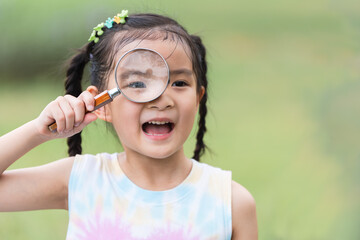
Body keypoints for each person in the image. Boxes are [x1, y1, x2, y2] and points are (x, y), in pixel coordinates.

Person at [0, 11, 258, 239]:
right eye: (137, 84)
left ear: (198, 97)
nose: (162, 99)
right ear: (102, 104)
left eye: (179, 83)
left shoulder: (232, 203)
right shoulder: (82, 180)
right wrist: (37, 132)